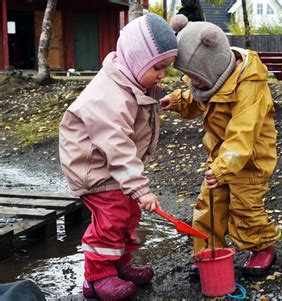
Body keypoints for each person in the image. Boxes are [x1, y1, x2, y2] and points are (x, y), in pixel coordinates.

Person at [58, 13, 178, 300]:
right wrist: (140, 188)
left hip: (113, 167)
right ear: (137, 61)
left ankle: (119, 266)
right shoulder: (107, 95)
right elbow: (117, 146)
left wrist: (154, 100)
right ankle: (97, 278)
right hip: (96, 169)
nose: (162, 74)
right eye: (158, 68)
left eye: (166, 68)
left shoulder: (132, 84)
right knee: (111, 219)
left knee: (129, 215)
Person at [160, 15, 282, 277]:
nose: (193, 83)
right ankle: (209, 251)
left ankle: (262, 247)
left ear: (213, 67)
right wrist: (179, 101)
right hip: (220, 157)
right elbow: (197, 96)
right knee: (209, 205)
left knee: (245, 207)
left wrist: (224, 166)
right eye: (188, 77)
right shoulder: (210, 80)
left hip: (249, 160)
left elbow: (243, 134)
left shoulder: (250, 85)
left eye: (196, 77)